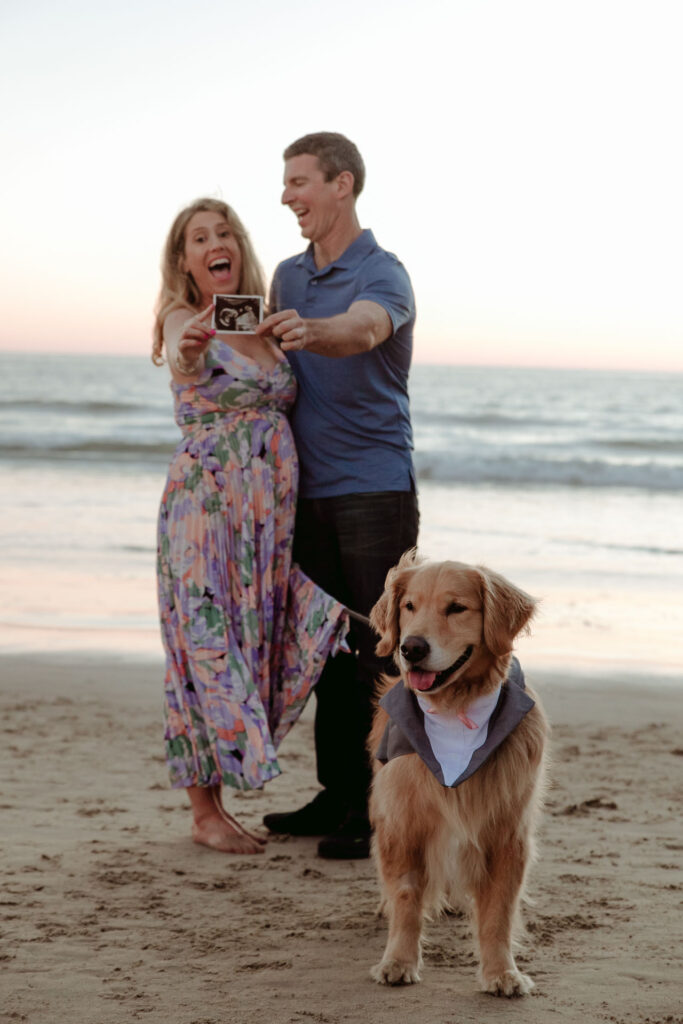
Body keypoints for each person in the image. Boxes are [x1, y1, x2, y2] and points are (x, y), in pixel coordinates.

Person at [152, 198, 349, 855]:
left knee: (254, 637)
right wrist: (187, 346)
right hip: (205, 511)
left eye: (224, 231)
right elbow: (184, 355)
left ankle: (223, 799)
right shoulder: (186, 318)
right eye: (199, 237)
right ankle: (205, 812)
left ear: (237, 245)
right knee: (205, 644)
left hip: (266, 521)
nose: (215, 242)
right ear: (184, 261)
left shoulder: (256, 318)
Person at [256, 132, 419, 859]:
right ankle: (338, 793)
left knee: (378, 651)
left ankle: (383, 807)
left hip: (374, 490)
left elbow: (362, 330)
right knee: (321, 650)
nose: (286, 196)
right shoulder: (287, 275)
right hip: (304, 491)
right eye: (286, 183)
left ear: (341, 184)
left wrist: (315, 330)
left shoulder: (383, 272)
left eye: (298, 182)